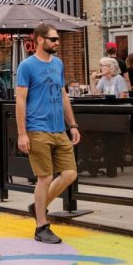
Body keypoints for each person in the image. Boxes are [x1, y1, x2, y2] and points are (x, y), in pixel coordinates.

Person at [16, 23, 80, 245]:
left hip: (59, 129)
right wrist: (22, 133)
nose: (57, 42)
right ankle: (41, 226)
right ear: (40, 40)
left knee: (70, 173)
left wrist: (73, 124)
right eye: (53, 39)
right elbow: (21, 100)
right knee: (45, 177)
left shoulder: (58, 64)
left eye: (57, 39)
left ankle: (38, 207)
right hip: (37, 128)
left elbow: (63, 95)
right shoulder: (27, 66)